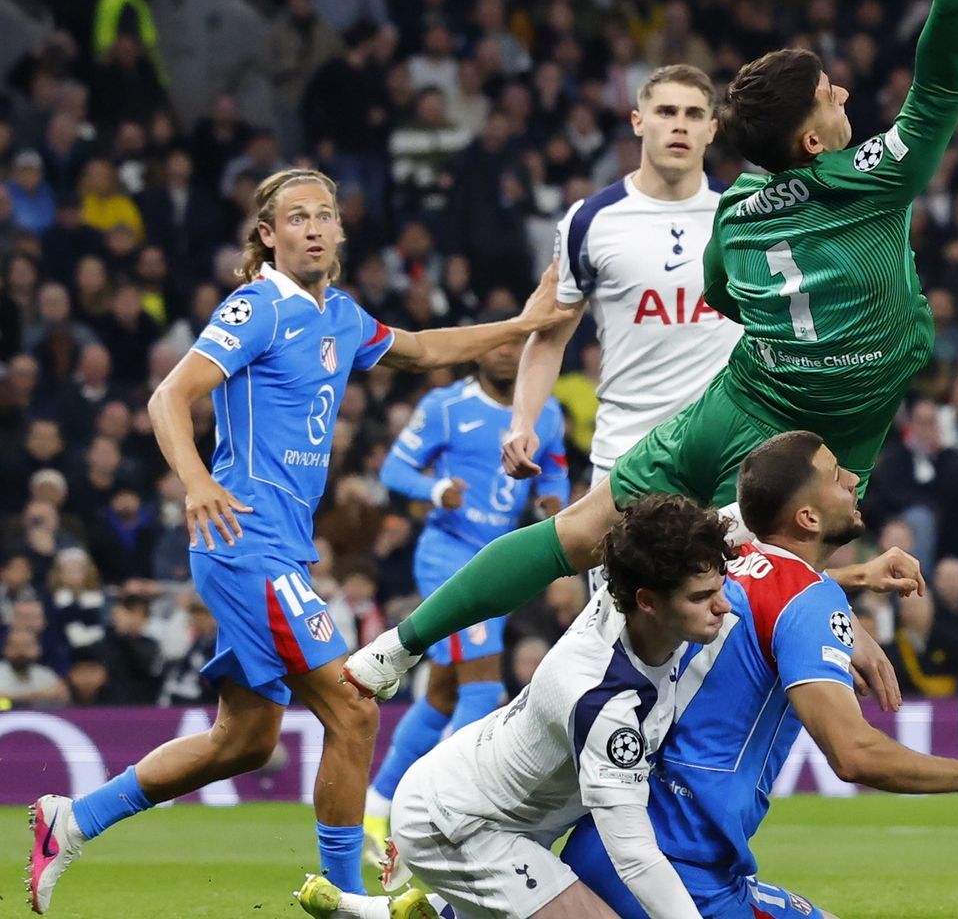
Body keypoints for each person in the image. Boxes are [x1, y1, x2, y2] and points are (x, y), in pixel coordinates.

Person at [343, 0, 958, 702]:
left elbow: (722, 294)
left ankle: (399, 644)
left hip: (733, 404)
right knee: (752, 606)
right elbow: (944, 80)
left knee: (580, 535)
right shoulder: (873, 179)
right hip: (811, 441)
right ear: (814, 141)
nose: (845, 90)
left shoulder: (737, 206)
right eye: (830, 93)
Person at [27, 168, 569, 916]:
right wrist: (196, 482)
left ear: (340, 232)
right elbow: (167, 397)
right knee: (353, 708)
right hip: (244, 539)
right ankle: (346, 900)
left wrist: (520, 326)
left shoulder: (339, 316)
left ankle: (74, 820)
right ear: (268, 235)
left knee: (244, 741)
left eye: (325, 216)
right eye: (296, 218)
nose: (313, 227)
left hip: (278, 547)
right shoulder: (258, 306)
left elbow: (420, 346)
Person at [557, 431, 958, 919]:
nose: (852, 480)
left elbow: (776, 592)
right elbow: (853, 754)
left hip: (603, 845)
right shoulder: (803, 600)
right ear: (807, 517)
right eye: (835, 475)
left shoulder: (724, 566)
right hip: (680, 871)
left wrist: (851, 583)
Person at [340, 494, 734, 919]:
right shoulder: (603, 703)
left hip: (489, 803)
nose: (723, 606)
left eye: (720, 587)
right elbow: (635, 857)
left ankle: (376, 912)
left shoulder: (629, 593)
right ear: (648, 602)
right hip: (458, 825)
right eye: (701, 597)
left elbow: (754, 509)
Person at [361, 328, 570, 859]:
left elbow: (559, 470)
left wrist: (552, 501)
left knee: (445, 694)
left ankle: (378, 804)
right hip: (447, 557)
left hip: (501, 565)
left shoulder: (544, 413)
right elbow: (393, 468)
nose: (504, 353)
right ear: (479, 353)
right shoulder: (446, 407)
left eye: (515, 345)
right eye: (496, 344)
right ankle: (447, 817)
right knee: (481, 686)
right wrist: (435, 490)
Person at [501, 65, 739, 500]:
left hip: (727, 463)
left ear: (712, 129)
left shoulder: (744, 215)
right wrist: (522, 422)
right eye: (666, 111)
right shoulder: (590, 221)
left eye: (692, 114)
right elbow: (551, 336)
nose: (679, 125)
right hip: (626, 460)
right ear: (637, 121)